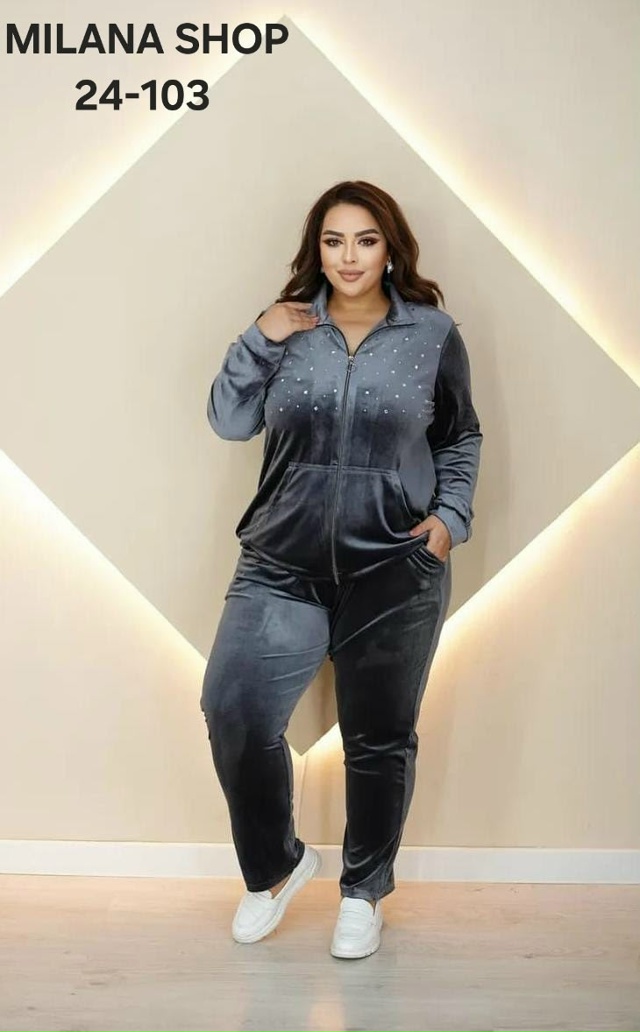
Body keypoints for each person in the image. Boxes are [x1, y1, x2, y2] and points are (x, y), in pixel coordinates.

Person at [200, 180, 482, 959]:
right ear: (315, 250)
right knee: (233, 710)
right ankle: (276, 867)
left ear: (390, 248)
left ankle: (364, 892)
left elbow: (460, 435)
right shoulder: (288, 328)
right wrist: (259, 335)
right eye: (333, 240)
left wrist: (448, 521)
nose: (349, 256)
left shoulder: (431, 334)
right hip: (280, 561)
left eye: (365, 240)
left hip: (395, 564)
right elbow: (228, 420)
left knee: (379, 738)